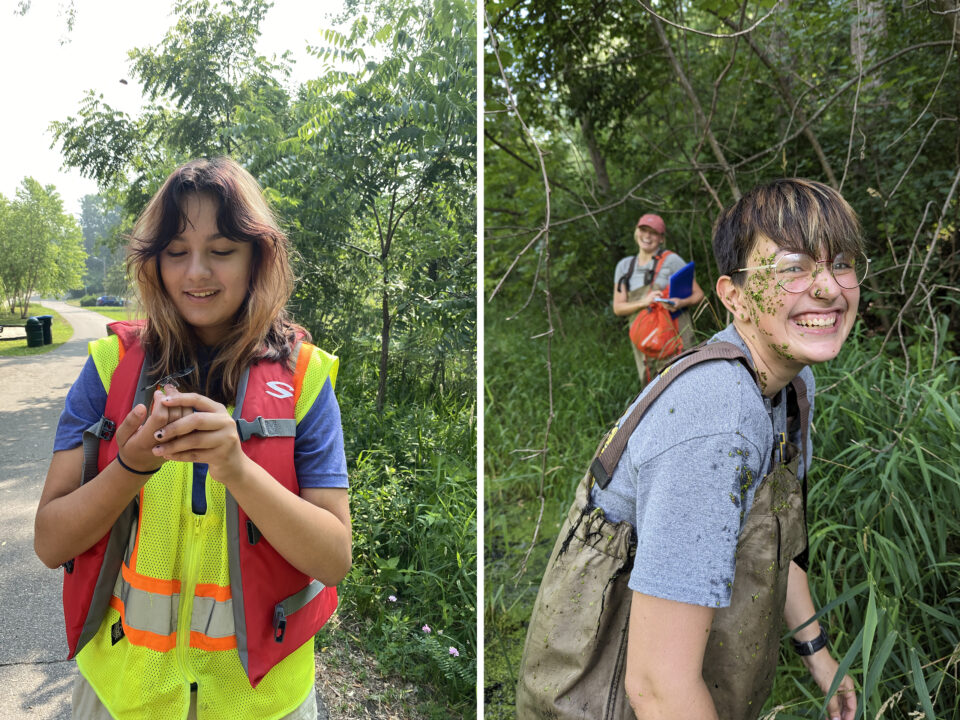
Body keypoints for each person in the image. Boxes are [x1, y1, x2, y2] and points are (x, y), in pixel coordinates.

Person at [517, 179, 864, 720]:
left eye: (841, 262)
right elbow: (658, 688)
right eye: (793, 267)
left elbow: (777, 535)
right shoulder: (717, 424)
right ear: (734, 296)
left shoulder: (792, 386)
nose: (828, 288)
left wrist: (817, 653)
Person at [34, 157, 352, 720]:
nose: (195, 273)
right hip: (124, 695)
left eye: (222, 251)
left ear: (259, 256)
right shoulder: (110, 368)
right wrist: (130, 467)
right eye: (176, 252)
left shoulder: (304, 380)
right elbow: (50, 542)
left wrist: (237, 469)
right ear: (153, 263)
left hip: (264, 702)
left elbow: (333, 558)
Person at [612, 213, 704, 384]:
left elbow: (698, 294)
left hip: (674, 337)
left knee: (682, 381)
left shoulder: (672, 260)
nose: (647, 236)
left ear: (661, 238)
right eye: (643, 230)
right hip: (644, 342)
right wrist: (644, 302)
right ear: (636, 232)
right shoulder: (624, 266)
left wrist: (681, 303)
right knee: (651, 387)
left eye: (653, 232)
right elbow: (618, 308)